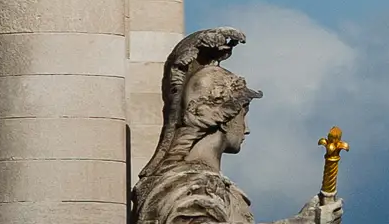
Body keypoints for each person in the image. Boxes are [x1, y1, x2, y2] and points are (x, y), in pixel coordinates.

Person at [131, 30, 343, 224]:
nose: (247, 128)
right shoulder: (197, 188)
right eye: (243, 115)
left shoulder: (189, 184)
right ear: (221, 118)